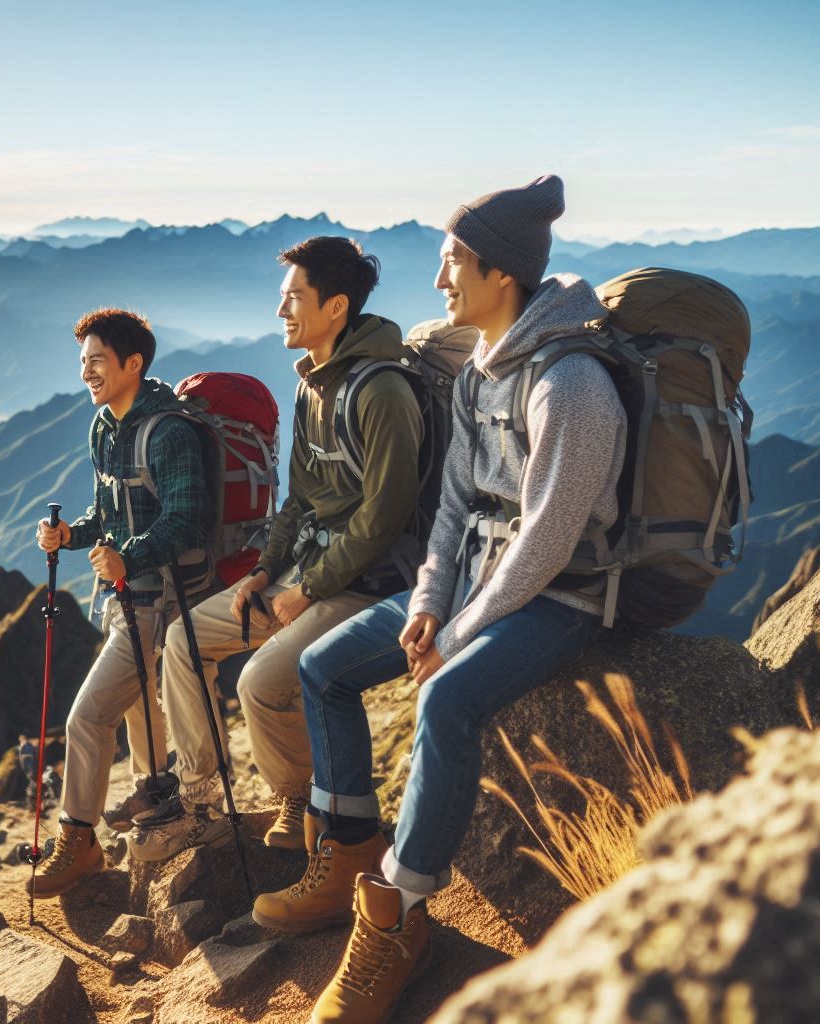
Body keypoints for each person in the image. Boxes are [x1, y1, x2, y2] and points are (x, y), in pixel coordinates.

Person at [293, 175, 625, 1022]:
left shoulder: (572, 385)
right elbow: (453, 504)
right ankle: (349, 846)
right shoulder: (479, 371)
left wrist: (461, 633)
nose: (440, 280)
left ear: (500, 273)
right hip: (475, 582)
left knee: (446, 697)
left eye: (452, 262)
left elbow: (548, 542)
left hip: (560, 599)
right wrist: (427, 604)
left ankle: (398, 916)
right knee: (324, 666)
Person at [131, 236, 423, 873]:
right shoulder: (310, 388)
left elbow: (384, 516)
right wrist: (267, 568)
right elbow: (298, 500)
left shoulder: (383, 394)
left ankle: (300, 802)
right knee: (182, 641)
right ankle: (202, 797)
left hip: (368, 583)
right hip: (304, 573)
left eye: (293, 298)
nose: (281, 311)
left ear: (337, 306)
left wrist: (305, 589)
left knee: (263, 682)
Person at [27, 307, 208, 898]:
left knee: (89, 716)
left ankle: (78, 841)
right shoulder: (104, 426)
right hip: (120, 596)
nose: (87, 373)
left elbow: (188, 518)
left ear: (134, 363)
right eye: (83, 362)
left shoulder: (171, 432)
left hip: (161, 600)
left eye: (97, 361)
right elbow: (106, 514)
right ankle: (157, 791)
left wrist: (130, 556)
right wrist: (71, 537)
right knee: (135, 708)